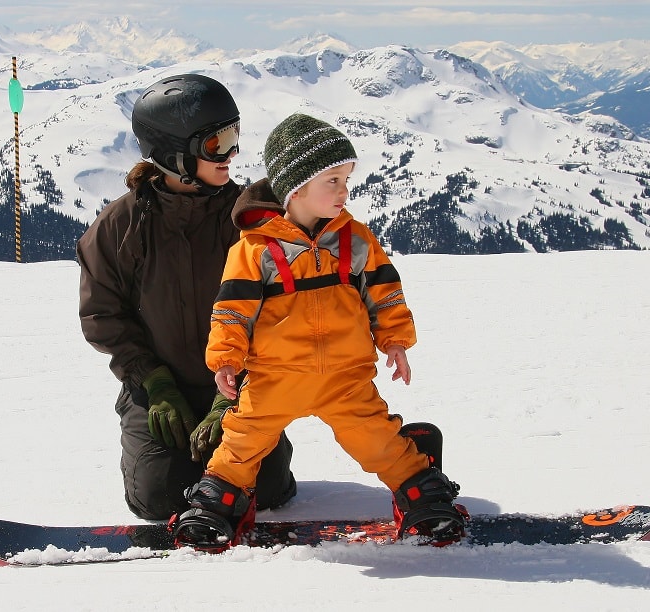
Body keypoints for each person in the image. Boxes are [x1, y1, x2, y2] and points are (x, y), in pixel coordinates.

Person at [173, 113, 464, 548]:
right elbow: (231, 311)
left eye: (346, 179)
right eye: (332, 180)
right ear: (296, 188)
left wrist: (396, 341)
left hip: (345, 378)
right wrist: (226, 359)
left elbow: (385, 294)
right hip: (274, 377)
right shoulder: (254, 250)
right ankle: (219, 502)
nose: (344, 190)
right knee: (243, 441)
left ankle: (421, 495)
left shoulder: (356, 240)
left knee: (377, 440)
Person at [76, 74, 297, 521]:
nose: (232, 155)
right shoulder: (120, 227)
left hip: (240, 385)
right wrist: (152, 382)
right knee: (160, 496)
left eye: (234, 137)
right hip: (160, 387)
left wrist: (235, 391)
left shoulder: (250, 219)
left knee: (266, 488)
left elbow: (280, 313)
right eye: (216, 144)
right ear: (172, 154)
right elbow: (103, 315)